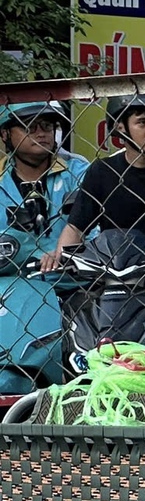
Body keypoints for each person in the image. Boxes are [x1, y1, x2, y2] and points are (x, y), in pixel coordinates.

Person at [0, 103, 86, 389]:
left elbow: (99, 228)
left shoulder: (80, 170)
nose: (42, 133)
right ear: (5, 134)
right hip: (9, 286)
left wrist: (64, 251)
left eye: (48, 126)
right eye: (30, 126)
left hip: (73, 284)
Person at [44, 94, 145, 269]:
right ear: (120, 127)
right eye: (143, 122)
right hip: (115, 275)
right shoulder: (103, 171)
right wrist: (60, 256)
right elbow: (76, 227)